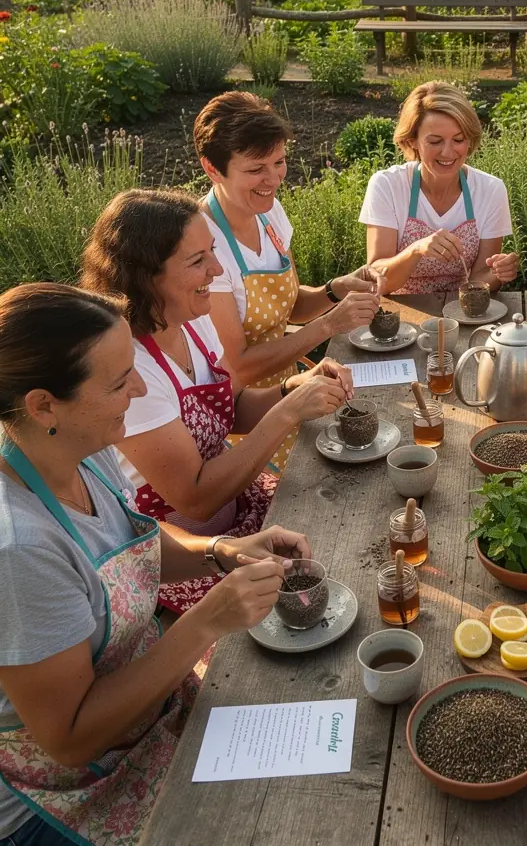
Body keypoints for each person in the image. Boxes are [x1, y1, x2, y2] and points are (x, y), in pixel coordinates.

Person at [0, 282, 306, 846]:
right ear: (43, 405)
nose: (140, 389)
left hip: (151, 714)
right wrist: (208, 620)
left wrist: (218, 552)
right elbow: (69, 738)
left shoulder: (80, 451)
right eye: (120, 382)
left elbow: (127, 544)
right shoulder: (18, 550)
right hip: (75, 791)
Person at [81, 189, 352, 614]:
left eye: (213, 250)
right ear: (145, 276)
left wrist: (292, 387)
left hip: (238, 511)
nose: (218, 268)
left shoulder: (193, 320)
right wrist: (288, 412)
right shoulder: (129, 370)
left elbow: (231, 406)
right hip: (187, 554)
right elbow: (196, 498)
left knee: (343, 529)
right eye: (197, 260)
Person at [196, 91, 379, 469]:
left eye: (278, 162)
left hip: (289, 389)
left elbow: (290, 306)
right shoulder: (204, 247)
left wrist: (334, 290)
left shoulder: (269, 213)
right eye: (255, 169)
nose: (273, 179)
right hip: (242, 418)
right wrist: (328, 325)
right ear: (212, 169)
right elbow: (239, 368)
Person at [359, 81, 519, 294]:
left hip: (462, 307)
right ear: (412, 141)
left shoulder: (491, 190)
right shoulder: (387, 186)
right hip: (399, 309)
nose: (448, 152)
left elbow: (480, 278)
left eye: (458, 140)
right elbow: (378, 279)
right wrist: (416, 249)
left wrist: (499, 273)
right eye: (435, 141)